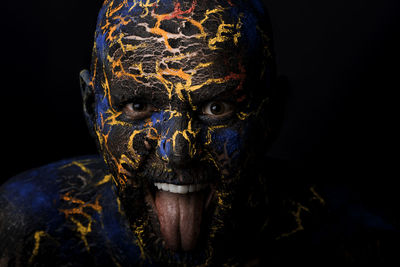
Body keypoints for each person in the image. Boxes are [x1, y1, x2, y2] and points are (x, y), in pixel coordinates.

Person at [0, 0, 397, 266]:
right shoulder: (25, 229)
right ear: (92, 110)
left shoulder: (353, 239)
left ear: (271, 116)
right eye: (138, 107)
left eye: (216, 108)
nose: (178, 151)